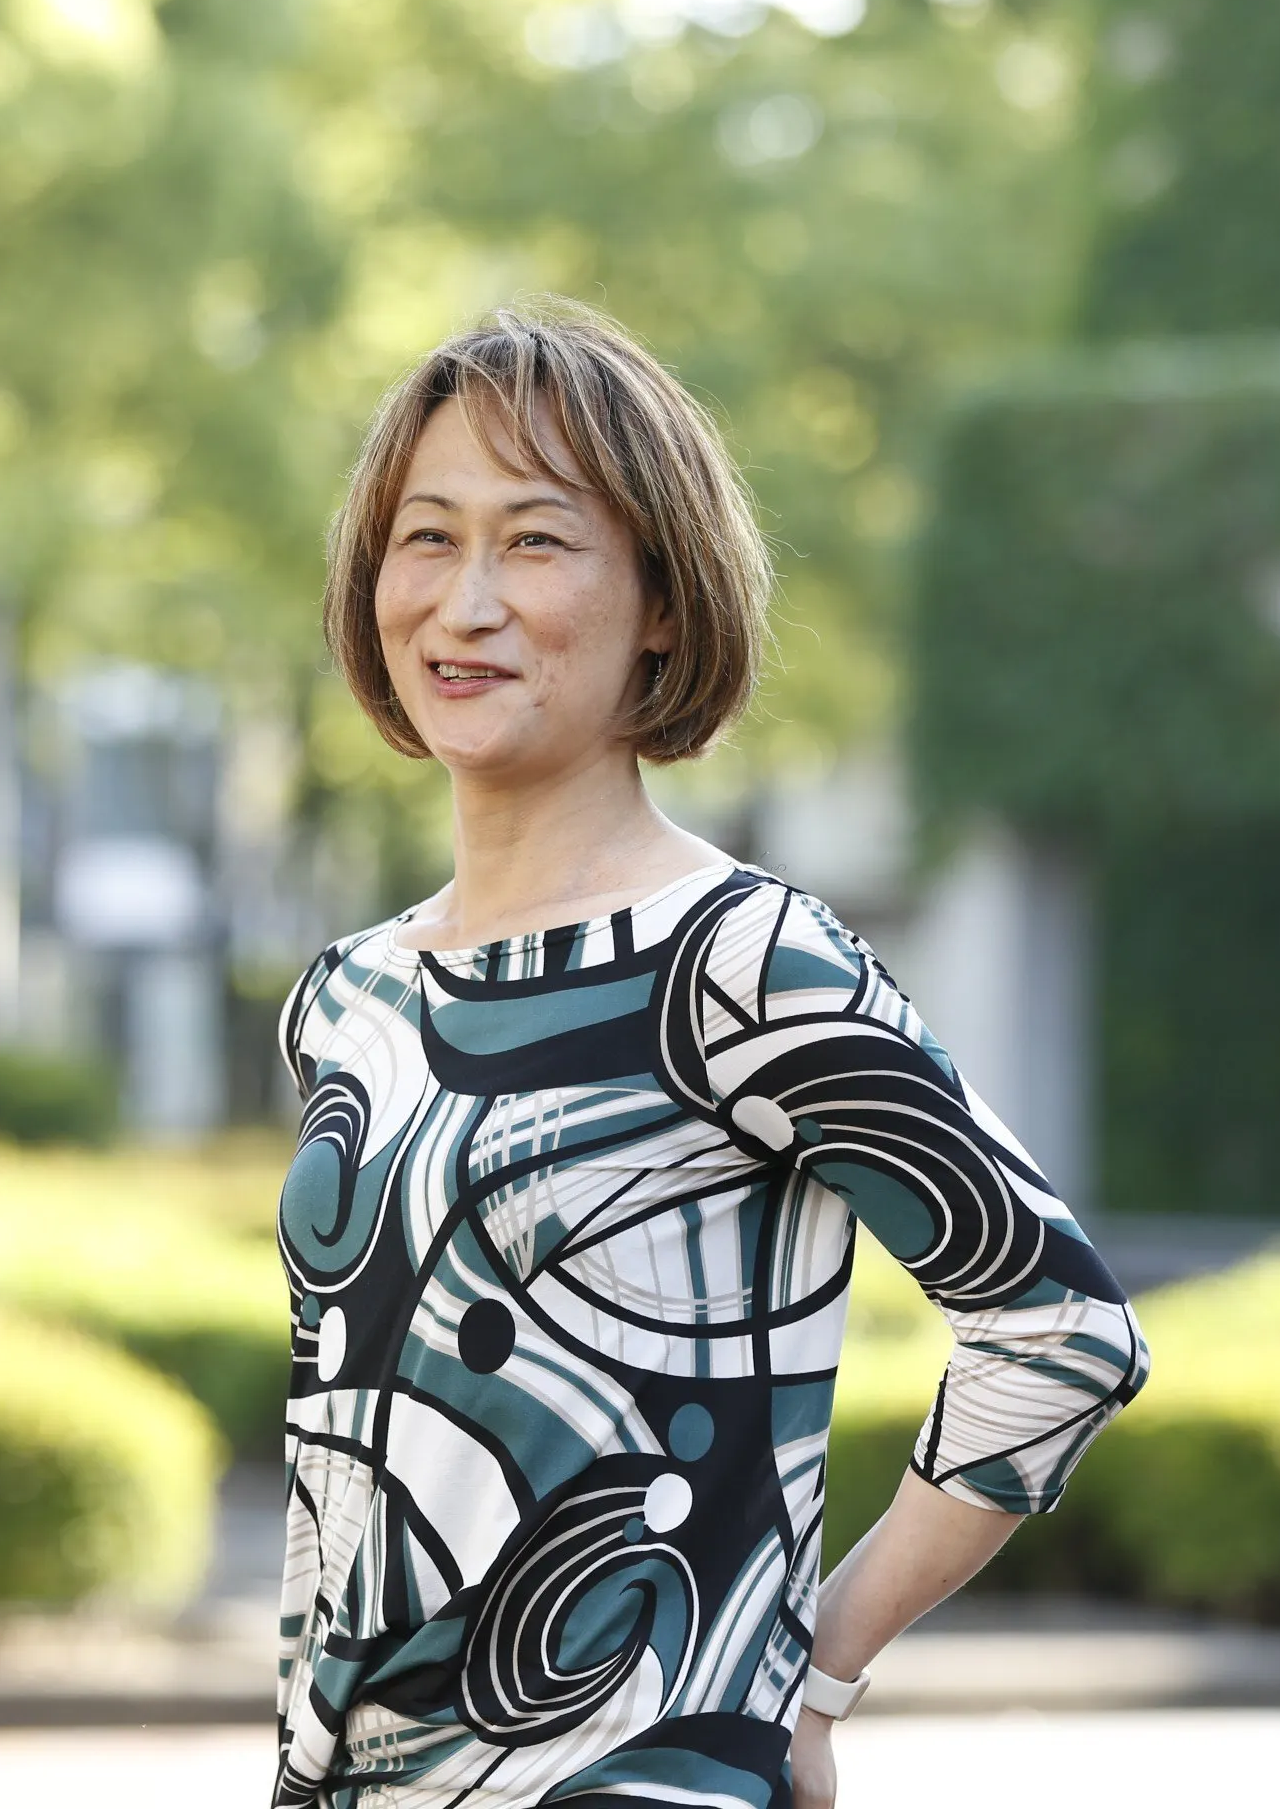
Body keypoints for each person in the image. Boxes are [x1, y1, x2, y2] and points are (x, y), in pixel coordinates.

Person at [271, 299, 1148, 1808]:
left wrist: (811, 1670)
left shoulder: (740, 965)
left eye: (534, 543)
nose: (465, 603)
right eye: (427, 539)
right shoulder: (353, 998)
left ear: (663, 605)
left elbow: (1060, 1334)